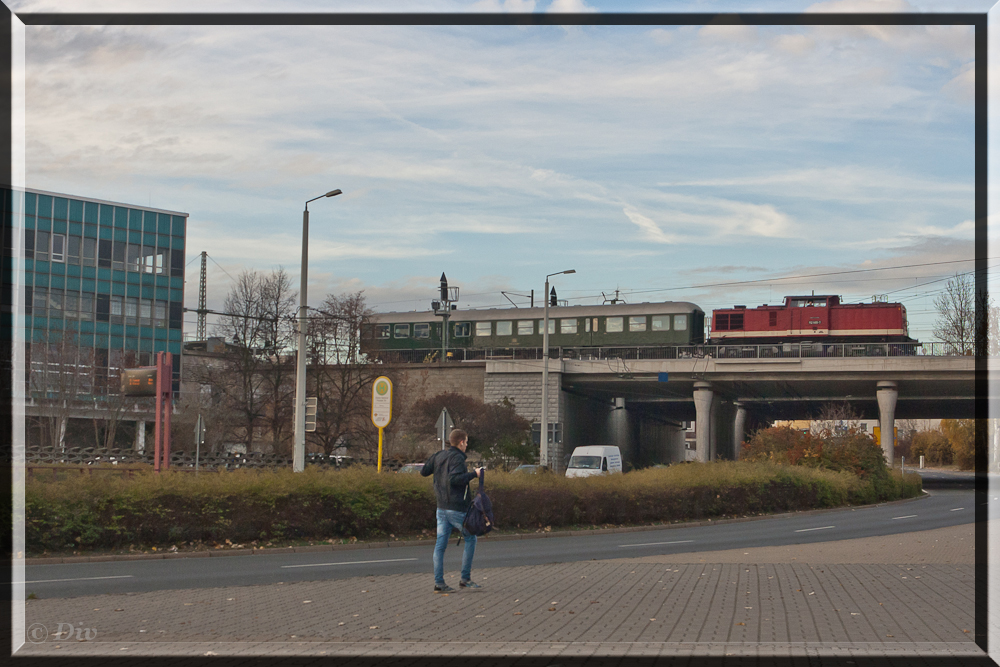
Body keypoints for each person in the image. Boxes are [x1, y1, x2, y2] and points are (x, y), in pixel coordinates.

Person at [421, 428, 484, 593]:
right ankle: (465, 578)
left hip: (441, 508)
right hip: (456, 509)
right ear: (462, 442)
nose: (467, 445)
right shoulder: (457, 458)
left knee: (440, 546)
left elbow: (423, 471)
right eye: (467, 442)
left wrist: (436, 461)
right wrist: (474, 474)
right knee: (471, 538)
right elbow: (454, 480)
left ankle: (439, 583)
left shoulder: (439, 455)